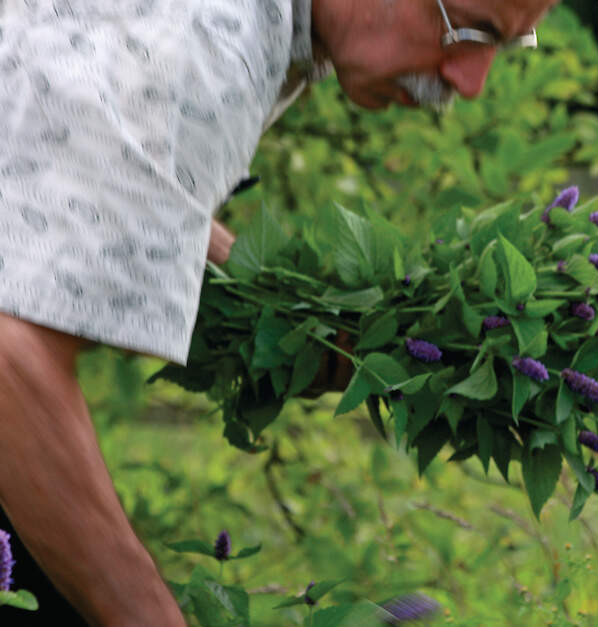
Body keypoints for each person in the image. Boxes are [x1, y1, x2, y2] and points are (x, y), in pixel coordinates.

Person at [0, 0, 557, 624]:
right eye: (469, 28)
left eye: (508, 46)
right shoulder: (207, 47)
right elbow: (11, 361)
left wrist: (286, 313)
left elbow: (96, 176)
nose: (471, 81)